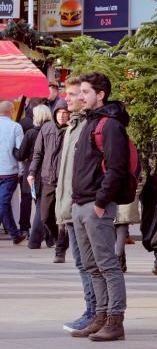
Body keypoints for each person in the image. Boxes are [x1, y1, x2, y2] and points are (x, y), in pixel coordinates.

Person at [69, 72, 132, 342]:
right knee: (91, 265)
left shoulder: (110, 125)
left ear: (100, 94)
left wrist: (100, 202)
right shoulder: (89, 122)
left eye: (85, 91)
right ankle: (100, 317)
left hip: (96, 205)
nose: (81, 96)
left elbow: (116, 168)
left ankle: (115, 320)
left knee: (107, 265)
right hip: (81, 204)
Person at [55, 78, 96, 332]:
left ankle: (94, 312)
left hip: (83, 205)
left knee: (90, 263)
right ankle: (92, 310)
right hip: (71, 206)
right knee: (82, 263)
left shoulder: (87, 126)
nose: (66, 99)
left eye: (72, 94)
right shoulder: (72, 126)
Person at [28, 106, 68, 256]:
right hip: (48, 178)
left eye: (65, 113)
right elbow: (38, 153)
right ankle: (59, 238)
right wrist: (32, 172)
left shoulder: (71, 129)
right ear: (54, 113)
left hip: (66, 179)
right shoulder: (47, 128)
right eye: (59, 113)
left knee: (63, 214)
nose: (62, 116)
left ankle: (60, 248)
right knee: (45, 215)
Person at [14, 105, 46, 243]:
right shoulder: (53, 130)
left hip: (32, 171)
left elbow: (21, 154)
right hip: (47, 171)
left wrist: (13, 150)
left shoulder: (31, 133)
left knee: (33, 202)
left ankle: (31, 234)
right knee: (43, 203)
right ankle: (49, 236)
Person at [0, 101, 24, 241]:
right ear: (11, 110)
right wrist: (21, 170)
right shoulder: (15, 127)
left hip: (7, 171)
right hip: (9, 170)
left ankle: (15, 234)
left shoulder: (16, 126)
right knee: (3, 203)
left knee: (4, 203)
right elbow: (20, 151)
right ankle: (15, 234)